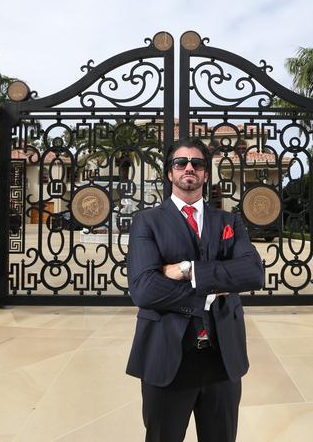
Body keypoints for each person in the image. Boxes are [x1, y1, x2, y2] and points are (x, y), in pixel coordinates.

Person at [126, 137, 264, 442]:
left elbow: (253, 273)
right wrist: (214, 288)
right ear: (170, 173)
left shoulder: (230, 221)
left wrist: (187, 269)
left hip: (223, 358)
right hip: (167, 357)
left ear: (205, 174)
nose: (189, 167)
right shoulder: (147, 221)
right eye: (181, 163)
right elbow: (144, 290)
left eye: (197, 164)